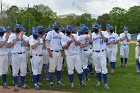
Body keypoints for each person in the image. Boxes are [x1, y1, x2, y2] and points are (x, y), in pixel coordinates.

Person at [8, 24, 29, 92]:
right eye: (16, 28)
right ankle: (16, 85)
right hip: (15, 55)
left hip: (22, 54)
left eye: (19, 28)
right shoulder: (11, 36)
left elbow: (27, 45)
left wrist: (22, 37)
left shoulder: (24, 36)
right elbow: (10, 45)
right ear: (14, 29)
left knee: (23, 70)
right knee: (15, 70)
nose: (17, 29)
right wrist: (16, 38)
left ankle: (23, 84)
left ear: (20, 29)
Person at [45, 22, 64, 90]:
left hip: (60, 52)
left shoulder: (61, 34)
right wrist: (49, 51)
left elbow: (63, 43)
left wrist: (63, 51)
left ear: (59, 26)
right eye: (54, 26)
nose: (55, 27)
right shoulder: (50, 33)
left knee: (59, 68)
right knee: (52, 69)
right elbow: (46, 42)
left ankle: (58, 81)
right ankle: (51, 83)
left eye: (57, 26)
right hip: (53, 52)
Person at [91, 24, 109, 89]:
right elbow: (90, 42)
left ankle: (105, 83)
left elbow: (106, 40)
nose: (94, 29)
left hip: (102, 52)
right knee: (97, 68)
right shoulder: (92, 34)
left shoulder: (104, 33)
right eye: (94, 28)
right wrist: (90, 36)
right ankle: (99, 81)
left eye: (96, 28)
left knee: (104, 67)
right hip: (94, 53)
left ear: (99, 28)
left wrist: (101, 34)